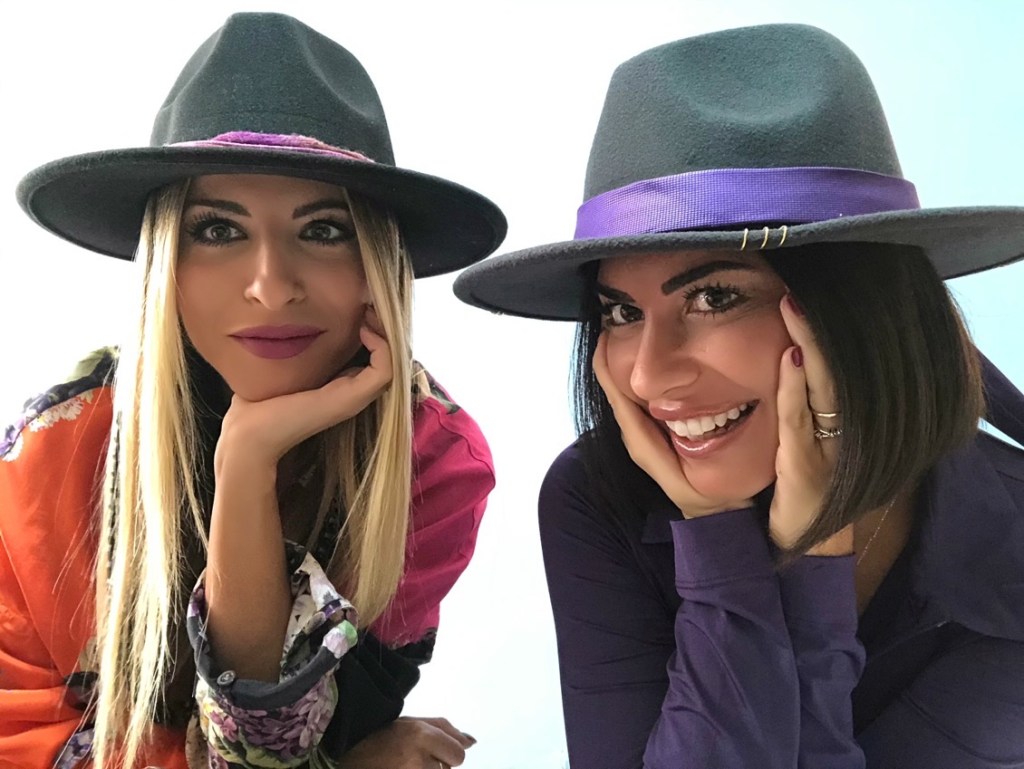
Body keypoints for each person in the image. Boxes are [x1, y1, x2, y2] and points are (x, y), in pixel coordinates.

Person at [454, 23, 1024, 769]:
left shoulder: (1008, 542)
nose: (648, 376)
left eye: (715, 296)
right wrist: (720, 540)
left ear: (859, 306)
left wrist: (807, 567)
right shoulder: (596, 497)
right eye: (621, 312)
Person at [0, 12, 506, 769]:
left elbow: (273, 753)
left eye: (324, 230)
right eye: (218, 230)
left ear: (378, 262)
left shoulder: (432, 461)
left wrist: (246, 465)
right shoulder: (56, 449)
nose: (270, 288)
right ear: (165, 260)